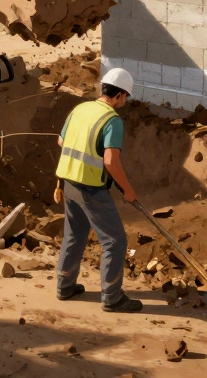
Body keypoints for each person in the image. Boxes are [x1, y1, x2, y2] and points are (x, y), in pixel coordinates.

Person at [54, 67, 143, 313]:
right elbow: (111, 162)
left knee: (74, 235)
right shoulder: (112, 121)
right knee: (114, 241)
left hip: (68, 183)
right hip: (91, 188)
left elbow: (61, 141)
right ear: (121, 95)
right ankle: (112, 298)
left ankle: (65, 286)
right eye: (126, 97)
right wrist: (128, 190)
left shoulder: (80, 109)